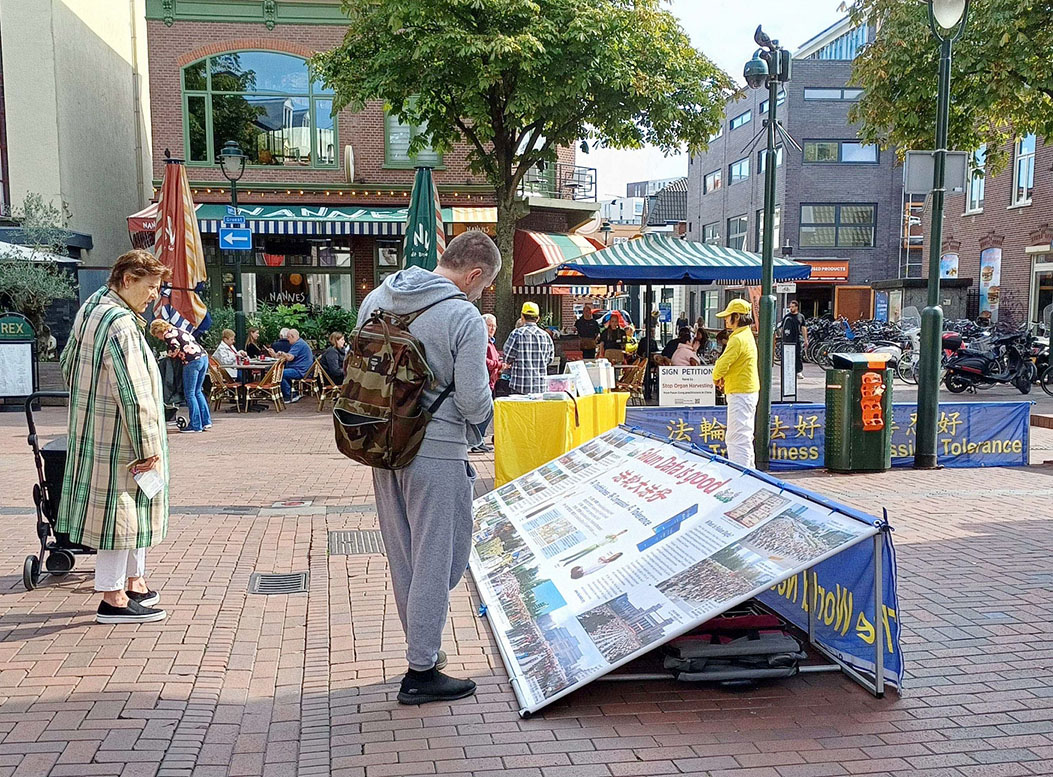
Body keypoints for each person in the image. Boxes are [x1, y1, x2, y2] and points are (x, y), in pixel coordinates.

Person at [358, 231, 501, 705]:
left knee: (405, 558)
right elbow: (474, 397)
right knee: (441, 559)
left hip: (380, 442)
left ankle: (423, 650)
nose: (480, 296)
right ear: (475, 274)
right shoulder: (463, 315)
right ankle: (421, 670)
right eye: (483, 287)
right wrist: (485, 427)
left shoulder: (378, 297)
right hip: (436, 449)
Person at [59, 249, 170, 624]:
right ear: (128, 280)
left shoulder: (93, 306)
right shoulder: (120, 322)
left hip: (98, 425)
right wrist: (148, 446)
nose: (155, 294)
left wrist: (87, 400)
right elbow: (133, 392)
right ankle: (113, 597)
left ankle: (134, 583)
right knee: (119, 515)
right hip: (121, 435)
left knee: (131, 511)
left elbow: (67, 363)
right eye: (151, 286)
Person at [712, 299, 760, 468]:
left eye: (728, 316)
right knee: (744, 435)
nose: (725, 319)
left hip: (740, 392)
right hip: (744, 389)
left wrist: (717, 377)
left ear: (737, 316)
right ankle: (749, 472)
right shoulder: (746, 335)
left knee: (736, 437)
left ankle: (741, 474)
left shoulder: (737, 339)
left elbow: (721, 364)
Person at [150, 318, 211, 433]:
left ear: (158, 331)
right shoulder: (179, 330)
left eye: (157, 335)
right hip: (203, 358)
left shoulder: (168, 334)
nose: (158, 338)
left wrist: (168, 355)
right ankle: (206, 421)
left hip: (191, 362)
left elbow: (175, 347)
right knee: (198, 391)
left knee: (190, 394)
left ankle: (195, 425)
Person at [502, 301, 554, 395]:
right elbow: (549, 360)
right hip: (540, 387)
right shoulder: (546, 336)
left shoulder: (516, 334)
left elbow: (507, 357)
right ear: (537, 318)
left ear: (522, 317)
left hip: (519, 386)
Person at [470, 314, 501, 454]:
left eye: (494, 326)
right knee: (488, 410)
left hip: (491, 382)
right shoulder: (481, 341)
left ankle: (479, 440)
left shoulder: (490, 342)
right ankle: (476, 440)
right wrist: (498, 365)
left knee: (488, 411)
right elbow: (483, 361)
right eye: (490, 325)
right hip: (483, 381)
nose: (492, 328)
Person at [278, 328, 313, 403]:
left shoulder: (298, 344)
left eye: (288, 337)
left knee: (280, 373)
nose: (287, 339)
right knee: (282, 373)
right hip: (303, 370)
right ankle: (290, 393)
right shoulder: (300, 343)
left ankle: (290, 395)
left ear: (293, 336)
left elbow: (290, 357)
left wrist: (283, 353)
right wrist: (276, 354)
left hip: (300, 371)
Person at [780, 300, 808, 376]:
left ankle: (798, 371)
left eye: (792, 307)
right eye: (790, 307)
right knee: (788, 355)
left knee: (798, 355)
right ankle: (788, 370)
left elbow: (803, 328)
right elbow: (782, 327)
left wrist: (805, 340)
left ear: (796, 307)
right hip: (788, 339)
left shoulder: (801, 316)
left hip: (797, 338)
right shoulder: (787, 316)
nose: (791, 308)